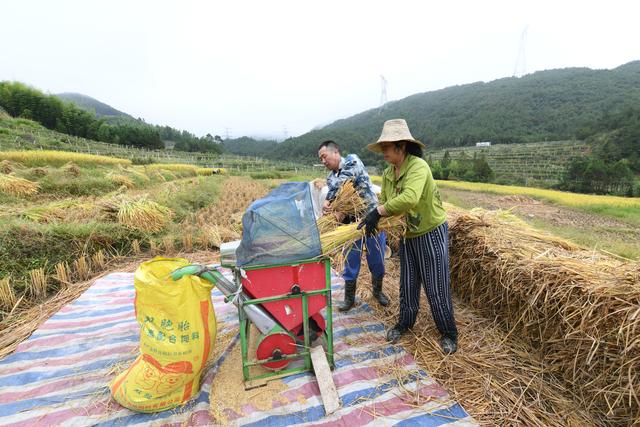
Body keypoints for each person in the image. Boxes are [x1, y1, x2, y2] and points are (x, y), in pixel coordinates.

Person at [358, 119, 458, 355]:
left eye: (387, 146)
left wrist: (379, 212)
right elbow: (384, 202)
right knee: (408, 282)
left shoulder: (418, 167)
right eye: (382, 146)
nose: (383, 151)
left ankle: (449, 332)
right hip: (407, 234)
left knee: (436, 285)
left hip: (429, 231)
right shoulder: (388, 172)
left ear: (401, 146)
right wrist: (376, 220)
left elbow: (410, 198)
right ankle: (405, 322)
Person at [317, 140, 389, 311]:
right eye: (320, 159)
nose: (323, 161)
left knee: (377, 258)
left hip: (371, 218)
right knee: (351, 260)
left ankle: (377, 292)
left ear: (336, 152)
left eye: (324, 157)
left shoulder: (352, 161)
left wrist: (329, 198)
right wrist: (330, 210)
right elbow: (337, 201)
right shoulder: (330, 178)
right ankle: (349, 298)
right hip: (350, 224)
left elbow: (345, 181)